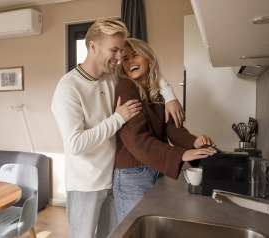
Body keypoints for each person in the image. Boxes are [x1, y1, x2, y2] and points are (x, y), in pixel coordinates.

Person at [51, 18, 184, 238]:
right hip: (86, 186)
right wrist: (117, 119)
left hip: (114, 180)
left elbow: (148, 72)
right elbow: (75, 144)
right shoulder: (69, 87)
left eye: (120, 51)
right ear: (93, 46)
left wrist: (169, 96)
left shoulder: (111, 75)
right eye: (114, 50)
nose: (118, 58)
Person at [113, 38, 217, 223]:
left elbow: (171, 127)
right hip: (132, 174)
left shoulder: (157, 92)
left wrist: (193, 142)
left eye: (135, 55)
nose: (130, 62)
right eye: (126, 59)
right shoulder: (126, 88)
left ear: (149, 59)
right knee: (133, 232)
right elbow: (136, 139)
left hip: (155, 167)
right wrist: (182, 154)